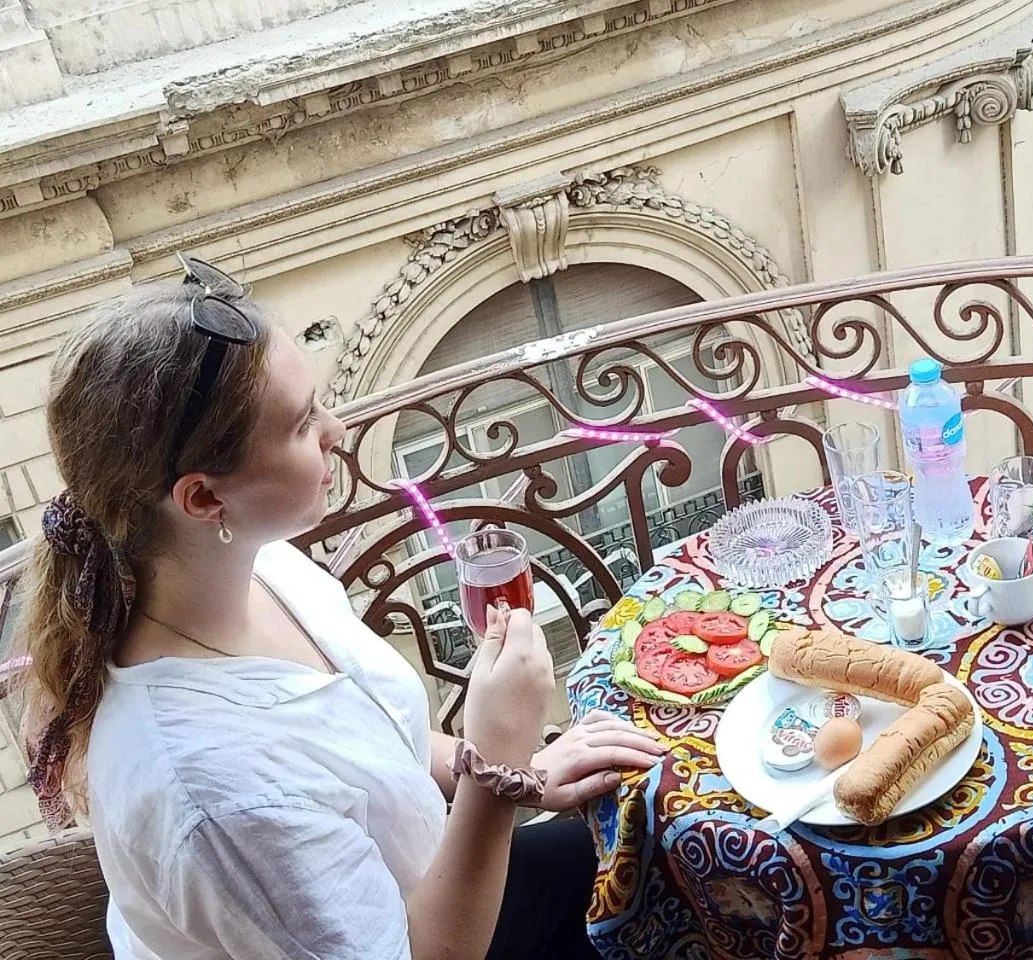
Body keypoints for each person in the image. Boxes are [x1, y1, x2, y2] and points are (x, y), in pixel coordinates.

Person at [15, 256, 667, 960]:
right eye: (301, 424)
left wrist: (524, 777)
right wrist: (500, 764)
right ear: (204, 499)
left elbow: (368, 751)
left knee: (657, 841)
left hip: (432, 879)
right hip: (434, 936)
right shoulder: (213, 793)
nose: (340, 430)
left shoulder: (254, 566)